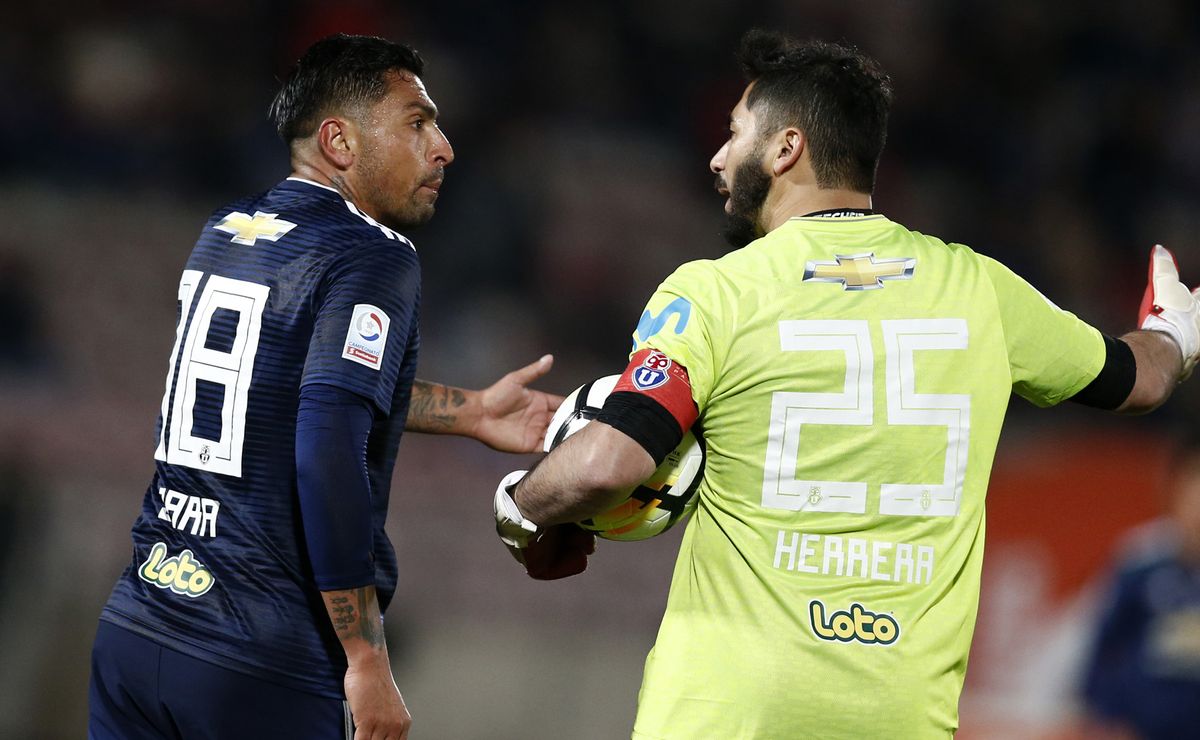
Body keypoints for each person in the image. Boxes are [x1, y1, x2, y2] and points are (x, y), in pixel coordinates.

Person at [492, 30, 1200, 738]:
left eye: (734, 133)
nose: (716, 156)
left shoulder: (716, 293)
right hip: (897, 718)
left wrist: (524, 509)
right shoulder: (980, 289)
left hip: (728, 715)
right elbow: (1138, 378)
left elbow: (614, 459)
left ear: (785, 148)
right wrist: (1174, 330)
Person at [89, 34, 562, 740]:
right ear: (340, 141)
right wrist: (365, 654)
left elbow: (277, 393)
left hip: (140, 622)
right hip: (255, 656)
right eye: (417, 122)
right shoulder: (373, 253)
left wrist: (470, 412)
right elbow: (326, 448)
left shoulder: (228, 229)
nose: (443, 148)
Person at [1081, 437, 1200, 740]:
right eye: (1193, 485)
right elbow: (1103, 650)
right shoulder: (1140, 562)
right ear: (1173, 491)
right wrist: (1104, 717)